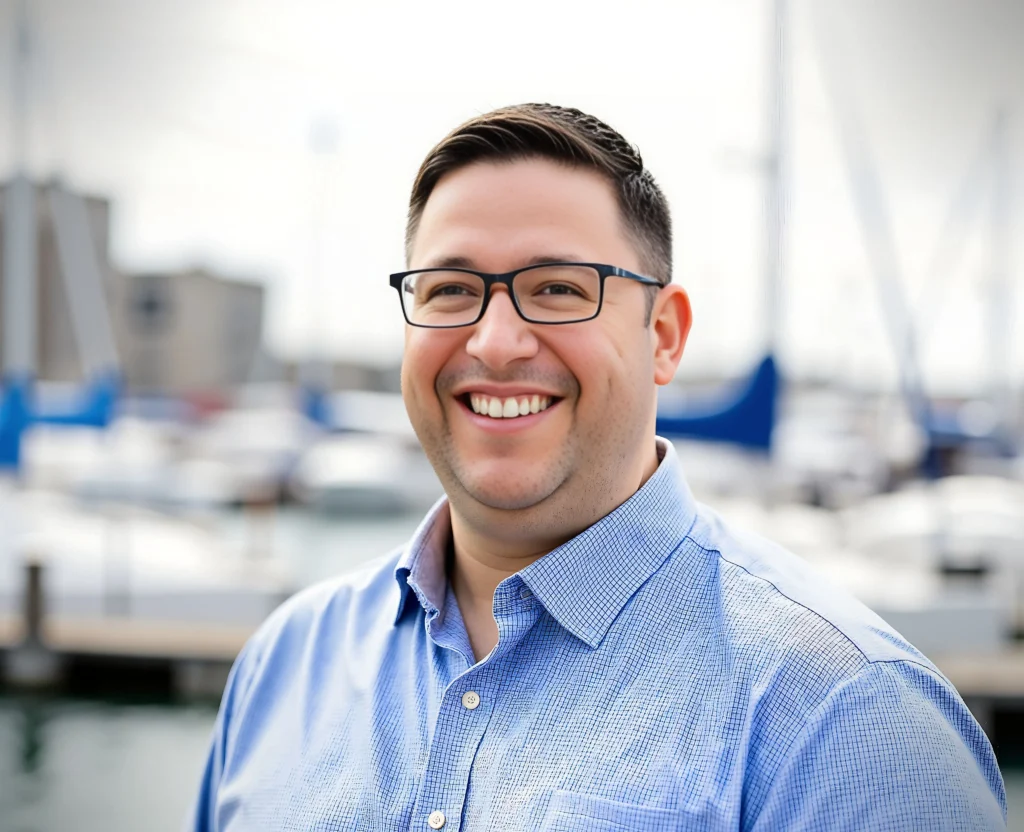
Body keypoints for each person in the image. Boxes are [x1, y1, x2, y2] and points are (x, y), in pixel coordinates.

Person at [190, 103, 1005, 830]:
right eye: (448, 290)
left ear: (665, 335)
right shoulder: (285, 661)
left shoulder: (852, 720)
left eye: (556, 288)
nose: (496, 341)